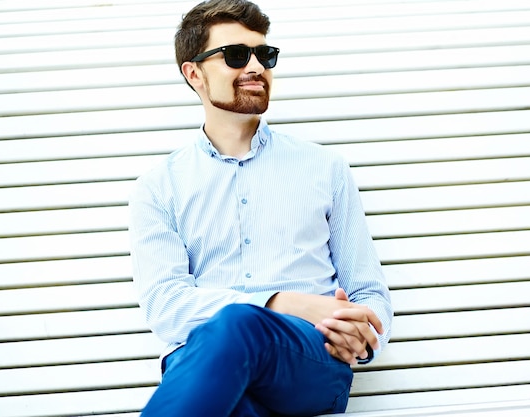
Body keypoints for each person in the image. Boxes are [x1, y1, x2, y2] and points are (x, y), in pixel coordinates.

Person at [128, 0, 393, 415]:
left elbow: (367, 291)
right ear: (193, 73)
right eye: (236, 55)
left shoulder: (325, 168)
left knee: (237, 325)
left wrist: (361, 336)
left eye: (263, 55)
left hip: (309, 359)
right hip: (201, 363)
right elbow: (166, 306)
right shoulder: (159, 187)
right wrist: (278, 301)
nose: (255, 66)